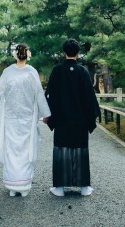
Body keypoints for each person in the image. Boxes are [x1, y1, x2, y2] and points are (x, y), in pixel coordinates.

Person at [0, 43, 51, 197]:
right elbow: (39, 94)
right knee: (25, 150)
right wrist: (45, 113)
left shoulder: (8, 72)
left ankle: (12, 186)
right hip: (27, 118)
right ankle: (23, 186)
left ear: (15, 55)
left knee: (11, 150)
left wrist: (5, 100)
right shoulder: (31, 72)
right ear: (27, 54)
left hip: (11, 117)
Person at [45, 38, 101, 197]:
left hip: (61, 119)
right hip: (80, 121)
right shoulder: (83, 71)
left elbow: (50, 95)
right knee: (80, 150)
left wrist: (48, 115)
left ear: (64, 52)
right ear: (78, 52)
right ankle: (84, 187)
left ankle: (59, 188)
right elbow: (90, 98)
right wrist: (91, 118)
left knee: (61, 150)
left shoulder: (57, 71)